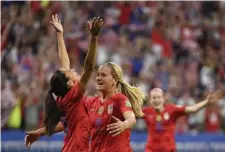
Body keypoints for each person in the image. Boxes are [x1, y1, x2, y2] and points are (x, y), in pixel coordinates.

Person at [25, 14, 104, 152]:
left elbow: (63, 125)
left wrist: (60, 34)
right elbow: (89, 67)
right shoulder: (74, 95)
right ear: (70, 84)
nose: (74, 70)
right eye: (71, 72)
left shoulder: (63, 98)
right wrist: (94, 38)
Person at [142, 88, 224, 152]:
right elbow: (130, 114)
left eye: (159, 97)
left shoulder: (172, 109)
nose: (156, 100)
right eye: (154, 98)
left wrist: (206, 102)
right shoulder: (146, 111)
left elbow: (193, 109)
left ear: (163, 98)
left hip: (168, 150)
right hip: (151, 150)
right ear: (150, 100)